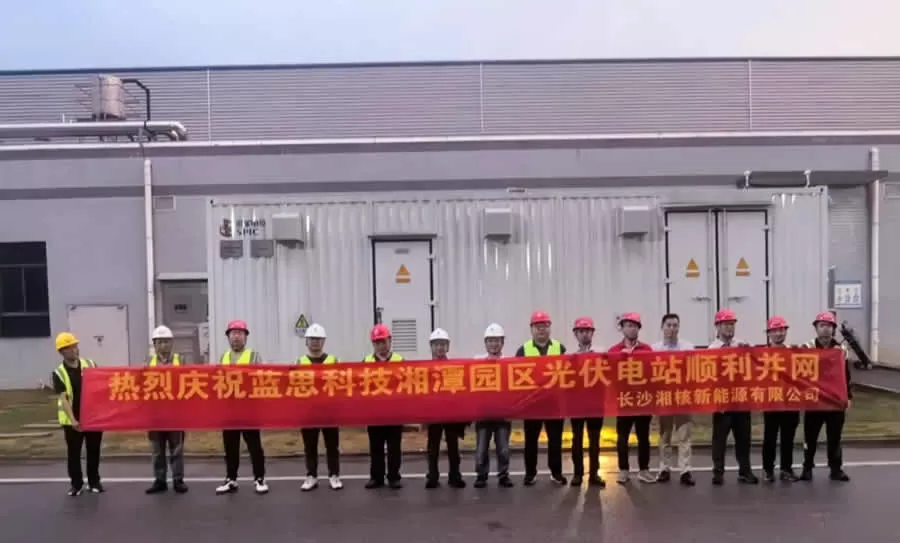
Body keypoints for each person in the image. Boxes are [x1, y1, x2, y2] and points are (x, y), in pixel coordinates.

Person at [215, 320, 269, 495]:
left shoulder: (254, 356)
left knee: (254, 446)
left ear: (246, 337)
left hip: (248, 409)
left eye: (240, 333)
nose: (236, 337)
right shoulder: (223, 357)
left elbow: (261, 379)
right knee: (230, 447)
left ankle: (259, 479)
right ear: (228, 337)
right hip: (229, 410)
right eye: (233, 333)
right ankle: (231, 479)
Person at [515, 311, 567, 486]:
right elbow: (516, 377)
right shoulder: (523, 350)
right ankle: (530, 473)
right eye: (538, 326)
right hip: (533, 404)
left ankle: (556, 472)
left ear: (549, 328)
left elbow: (568, 375)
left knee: (555, 440)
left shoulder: (560, 348)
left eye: (544, 326)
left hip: (554, 403)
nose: (541, 330)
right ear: (531, 329)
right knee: (531, 440)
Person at [708, 309, 759, 485]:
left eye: (732, 324)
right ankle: (718, 472)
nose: (729, 328)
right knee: (719, 440)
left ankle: (745, 471)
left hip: (741, 399)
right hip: (722, 401)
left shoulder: (742, 345)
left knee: (744, 438)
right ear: (718, 326)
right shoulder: (712, 350)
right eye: (726, 324)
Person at [800, 311, 852, 482]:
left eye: (829, 326)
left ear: (834, 329)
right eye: (822, 326)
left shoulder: (841, 350)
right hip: (814, 400)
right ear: (816, 328)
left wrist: (848, 396)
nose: (825, 330)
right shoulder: (807, 348)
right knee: (810, 437)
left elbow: (846, 375)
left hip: (835, 401)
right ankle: (807, 468)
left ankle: (836, 468)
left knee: (835, 437)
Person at [51, 332, 103, 496]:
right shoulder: (59, 373)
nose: (75, 350)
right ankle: (76, 484)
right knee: (73, 454)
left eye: (76, 346)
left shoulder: (90, 364)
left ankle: (94, 482)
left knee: (93, 451)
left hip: (93, 418)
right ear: (62, 352)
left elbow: (102, 387)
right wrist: (73, 419)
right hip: (72, 421)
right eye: (71, 347)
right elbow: (64, 398)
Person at [608, 312, 656, 485]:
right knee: (623, 437)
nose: (632, 328)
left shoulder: (647, 350)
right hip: (624, 400)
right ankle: (624, 470)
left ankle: (644, 469)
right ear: (622, 328)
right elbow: (610, 376)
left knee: (644, 437)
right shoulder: (614, 351)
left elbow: (652, 374)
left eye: (635, 325)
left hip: (642, 400)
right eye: (628, 325)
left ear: (639, 328)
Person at [651, 313, 696, 486]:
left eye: (675, 325)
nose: (672, 329)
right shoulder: (654, 349)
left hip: (682, 397)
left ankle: (685, 470)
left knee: (684, 435)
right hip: (664, 398)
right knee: (664, 435)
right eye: (668, 325)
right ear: (662, 327)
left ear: (679, 327)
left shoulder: (688, 347)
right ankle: (664, 468)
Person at [298, 323, 343, 491]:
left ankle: (334, 475)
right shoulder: (300, 362)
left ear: (323, 341)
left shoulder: (333, 361)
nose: (315, 342)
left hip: (329, 411)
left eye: (318, 339)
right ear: (306, 342)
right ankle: (311, 476)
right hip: (308, 411)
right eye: (312, 339)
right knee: (310, 446)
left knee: (332, 445)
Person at [145, 325, 189, 495]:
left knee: (176, 448)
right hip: (155, 414)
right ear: (154, 344)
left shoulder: (181, 360)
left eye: (166, 342)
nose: (163, 345)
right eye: (160, 342)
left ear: (172, 344)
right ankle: (160, 480)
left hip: (175, 413)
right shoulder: (148, 362)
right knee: (157, 450)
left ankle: (178, 480)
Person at [424, 328, 467, 489]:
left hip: (451, 414)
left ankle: (455, 476)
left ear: (448, 347)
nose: (440, 348)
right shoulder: (425, 369)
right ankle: (432, 476)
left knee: (453, 447)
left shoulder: (454, 368)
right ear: (431, 347)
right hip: (433, 414)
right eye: (436, 344)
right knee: (433, 448)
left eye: (443, 344)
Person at [364, 324, 405, 489]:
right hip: (374, 413)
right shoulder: (366, 362)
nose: (381, 345)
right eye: (377, 342)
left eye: (383, 341)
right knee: (376, 447)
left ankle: (394, 476)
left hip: (394, 413)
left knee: (394, 447)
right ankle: (376, 477)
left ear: (390, 340)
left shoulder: (399, 361)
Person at [760, 315, 801, 483]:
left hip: (791, 402)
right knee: (769, 438)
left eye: (781, 330)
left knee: (788, 439)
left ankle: (786, 469)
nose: (778, 333)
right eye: (775, 330)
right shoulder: (761, 354)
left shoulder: (794, 352)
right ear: (769, 333)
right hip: (771, 402)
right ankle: (768, 470)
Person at [473, 323, 514, 489]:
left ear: (502, 342)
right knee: (481, 449)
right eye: (490, 341)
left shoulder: (510, 363)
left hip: (503, 414)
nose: (494, 344)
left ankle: (503, 475)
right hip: (483, 414)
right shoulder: (476, 363)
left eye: (497, 340)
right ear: (485, 343)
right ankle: (481, 476)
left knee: (503, 448)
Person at [568, 317, 605, 488]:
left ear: (592, 333)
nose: (584, 334)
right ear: (575, 334)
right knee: (577, 440)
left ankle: (594, 473)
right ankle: (577, 473)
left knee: (595, 440)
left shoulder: (601, 354)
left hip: (596, 404)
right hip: (576, 404)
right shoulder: (569, 356)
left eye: (587, 331)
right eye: (581, 331)